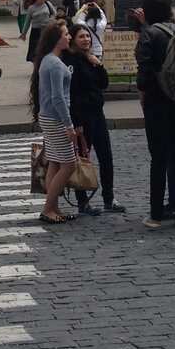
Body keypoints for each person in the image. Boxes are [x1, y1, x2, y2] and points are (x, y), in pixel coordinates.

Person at [136, 0, 175, 229]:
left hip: (157, 104)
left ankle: (156, 215)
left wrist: (145, 95)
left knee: (158, 159)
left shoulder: (149, 35)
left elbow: (143, 75)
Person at [66, 22, 124, 214]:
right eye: (81, 37)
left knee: (106, 156)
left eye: (88, 36)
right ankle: (83, 202)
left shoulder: (90, 59)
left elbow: (103, 83)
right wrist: (77, 123)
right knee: (83, 159)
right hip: (82, 117)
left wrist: (98, 65)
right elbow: (72, 94)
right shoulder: (71, 62)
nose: (86, 40)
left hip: (97, 114)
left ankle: (109, 198)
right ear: (73, 40)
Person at [30, 22, 80, 225]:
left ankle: (53, 207)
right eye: (66, 34)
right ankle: (48, 208)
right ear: (57, 39)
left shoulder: (47, 60)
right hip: (56, 119)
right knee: (69, 164)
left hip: (48, 117)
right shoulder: (54, 63)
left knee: (55, 162)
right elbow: (58, 97)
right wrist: (68, 125)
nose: (69, 37)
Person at [22, 0, 54, 65]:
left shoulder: (48, 4)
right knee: (35, 50)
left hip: (46, 30)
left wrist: (50, 21)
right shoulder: (31, 8)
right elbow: (27, 22)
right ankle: (36, 66)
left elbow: (54, 14)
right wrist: (24, 33)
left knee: (46, 48)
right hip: (36, 31)